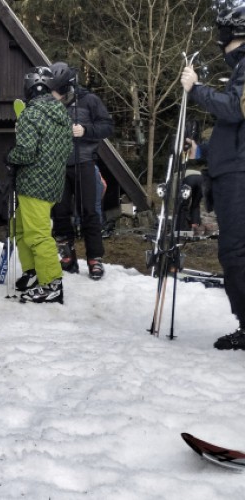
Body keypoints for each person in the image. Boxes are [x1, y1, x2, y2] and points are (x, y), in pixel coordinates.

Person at [180, 5, 245, 350]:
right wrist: (202, 151)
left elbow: (234, 109)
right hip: (232, 169)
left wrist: (196, 89)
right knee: (235, 252)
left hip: (239, 174)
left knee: (236, 253)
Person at [10, 67, 73, 304]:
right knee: (20, 228)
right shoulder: (63, 114)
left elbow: (26, 152)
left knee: (37, 234)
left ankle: (51, 284)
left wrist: (9, 156)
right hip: (52, 183)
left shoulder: (30, 114)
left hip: (32, 183)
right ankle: (33, 271)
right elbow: (68, 149)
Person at [48, 61, 114, 280]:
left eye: (57, 90)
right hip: (58, 165)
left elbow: (107, 126)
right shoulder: (50, 104)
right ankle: (67, 256)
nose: (54, 94)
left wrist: (85, 130)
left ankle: (95, 259)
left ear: (66, 86)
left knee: (89, 211)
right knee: (60, 212)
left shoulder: (89, 100)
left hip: (84, 161)